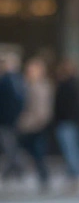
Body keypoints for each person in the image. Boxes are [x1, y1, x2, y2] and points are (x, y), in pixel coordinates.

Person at [15, 56, 53, 192]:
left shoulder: (40, 86)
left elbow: (42, 109)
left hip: (35, 125)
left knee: (36, 153)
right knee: (21, 151)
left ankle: (43, 178)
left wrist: (36, 122)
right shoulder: (26, 85)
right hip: (27, 125)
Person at [53, 59, 79, 192]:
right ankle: (72, 176)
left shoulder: (69, 85)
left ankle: (76, 176)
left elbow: (66, 106)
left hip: (67, 122)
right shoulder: (73, 85)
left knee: (71, 151)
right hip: (68, 122)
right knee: (71, 150)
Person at [0, 52, 23, 181]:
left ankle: (15, 169)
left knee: (10, 145)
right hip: (10, 119)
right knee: (10, 145)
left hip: (8, 119)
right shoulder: (16, 79)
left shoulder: (9, 80)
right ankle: (13, 170)